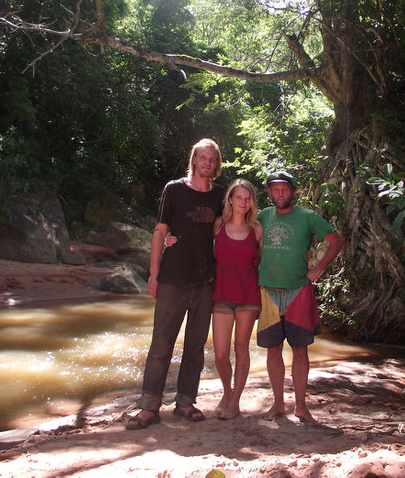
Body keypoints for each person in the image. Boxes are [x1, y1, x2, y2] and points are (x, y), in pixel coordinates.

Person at [124, 138, 225, 430]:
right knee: (160, 345)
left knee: (195, 347)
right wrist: (153, 274)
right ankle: (149, 407)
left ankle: (185, 402)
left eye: (212, 159)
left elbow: (226, 230)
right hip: (172, 279)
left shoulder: (219, 194)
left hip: (206, 281)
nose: (207, 163)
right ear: (194, 160)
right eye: (202, 158)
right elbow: (160, 231)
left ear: (216, 165)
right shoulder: (174, 189)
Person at [257, 170, 344, 423]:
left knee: (300, 351)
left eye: (284, 189)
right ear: (269, 192)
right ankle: (277, 404)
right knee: (272, 351)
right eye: (275, 189)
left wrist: (317, 269)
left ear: (294, 191)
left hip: (298, 291)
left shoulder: (308, 217)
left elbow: (335, 240)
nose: (280, 193)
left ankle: (301, 406)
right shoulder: (262, 215)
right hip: (268, 292)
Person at [210, 179, 263, 420]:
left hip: (248, 297)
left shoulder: (257, 229)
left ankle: (235, 401)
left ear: (252, 202)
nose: (243, 202)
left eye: (247, 198)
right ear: (230, 199)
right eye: (238, 197)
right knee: (220, 353)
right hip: (221, 294)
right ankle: (227, 391)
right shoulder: (218, 225)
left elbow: (264, 261)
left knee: (240, 348)